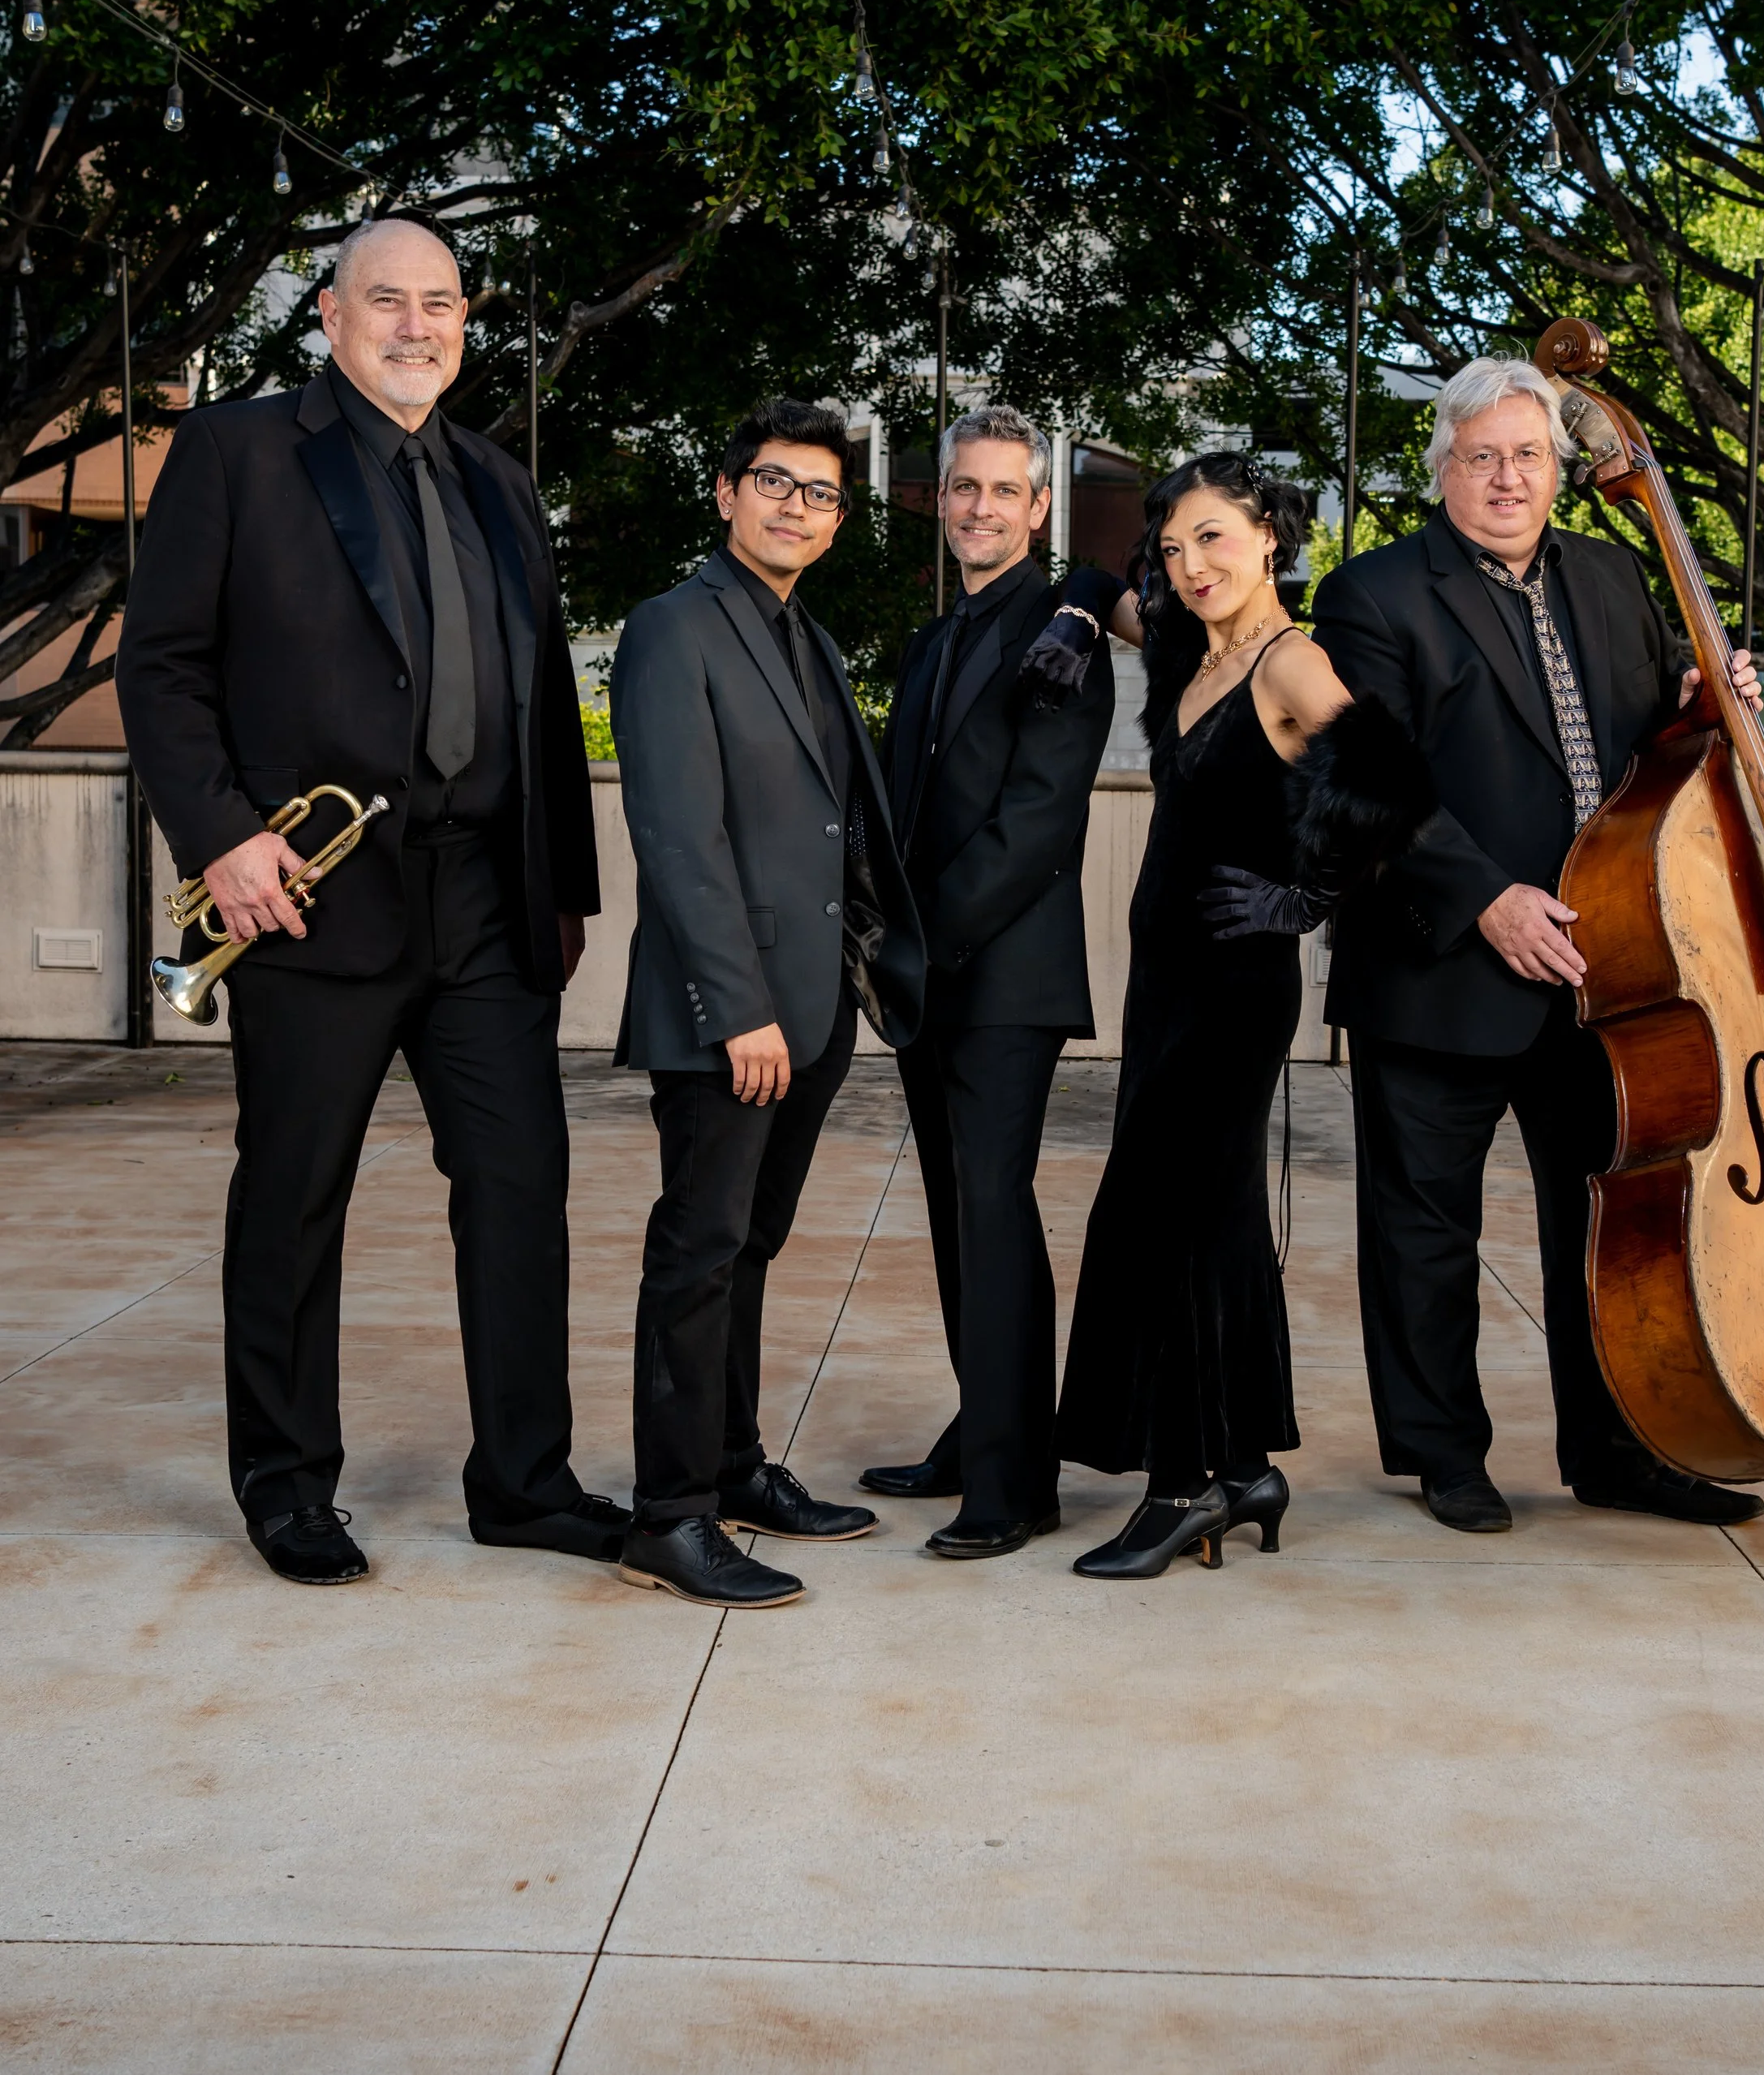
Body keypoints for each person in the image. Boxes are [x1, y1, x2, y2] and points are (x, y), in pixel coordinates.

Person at [117, 216, 614, 1588]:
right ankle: (286, 1484)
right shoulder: (239, 451)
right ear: (329, 315)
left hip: (486, 907)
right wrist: (220, 837)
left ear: (468, 322)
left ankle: (524, 1481)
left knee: (520, 1193)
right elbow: (158, 668)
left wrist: (559, 892)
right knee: (294, 1198)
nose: (416, 326)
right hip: (310, 898)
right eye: (386, 301)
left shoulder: (502, 484)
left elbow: (540, 708)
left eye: (441, 304)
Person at [1306, 355, 1764, 1535]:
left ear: (1557, 469)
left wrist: (1712, 699)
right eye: (1482, 457)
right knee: (1425, 1228)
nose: (1507, 478)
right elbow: (1372, 780)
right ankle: (1444, 1455)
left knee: (1612, 1229)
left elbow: (1648, 733)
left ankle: (1617, 1449)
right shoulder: (1372, 595)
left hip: (1610, 966)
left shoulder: (1613, 575)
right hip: (1443, 962)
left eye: (1528, 456)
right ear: (1442, 468)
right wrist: (1487, 902)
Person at [1047, 455, 1433, 1580]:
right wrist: (1077, 612)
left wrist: (1308, 898)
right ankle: (1241, 1465)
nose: (1190, 565)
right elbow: (1082, 571)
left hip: (1234, 986)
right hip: (1164, 980)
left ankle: (1185, 1486)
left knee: (1160, 1216)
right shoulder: (1186, 646)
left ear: (1271, 537)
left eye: (1214, 538)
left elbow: (1396, 786)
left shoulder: (1289, 661)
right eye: (1172, 548)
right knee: (1206, 1222)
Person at [609, 398, 925, 1611]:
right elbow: (678, 837)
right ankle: (670, 1513)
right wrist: (737, 1008)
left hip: (812, 1005)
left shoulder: (808, 637)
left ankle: (733, 1466)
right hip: (731, 1014)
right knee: (696, 1254)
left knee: (750, 1246)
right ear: (727, 491)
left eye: (822, 494)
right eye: (776, 483)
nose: (798, 506)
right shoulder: (672, 629)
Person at [856, 407, 1115, 1558]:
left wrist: (923, 940)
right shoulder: (932, 639)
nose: (980, 508)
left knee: (996, 1218)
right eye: (964, 488)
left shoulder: (1067, 631)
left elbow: (1034, 825)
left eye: (1004, 492)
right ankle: (984, 1429)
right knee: (960, 1221)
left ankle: (1016, 1485)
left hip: (1003, 976)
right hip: (929, 978)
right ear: (939, 497)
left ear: (1038, 508)